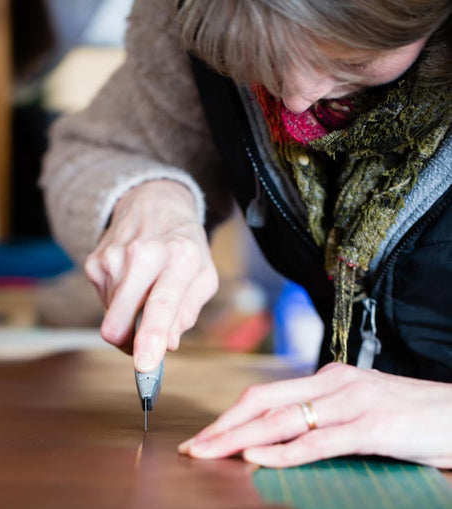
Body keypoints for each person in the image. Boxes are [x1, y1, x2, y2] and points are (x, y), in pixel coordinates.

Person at [41, 0, 452, 469]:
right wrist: (148, 195)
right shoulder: (186, 15)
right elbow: (100, 150)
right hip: (347, 469)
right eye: (263, 61)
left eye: (352, 61)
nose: (296, 99)